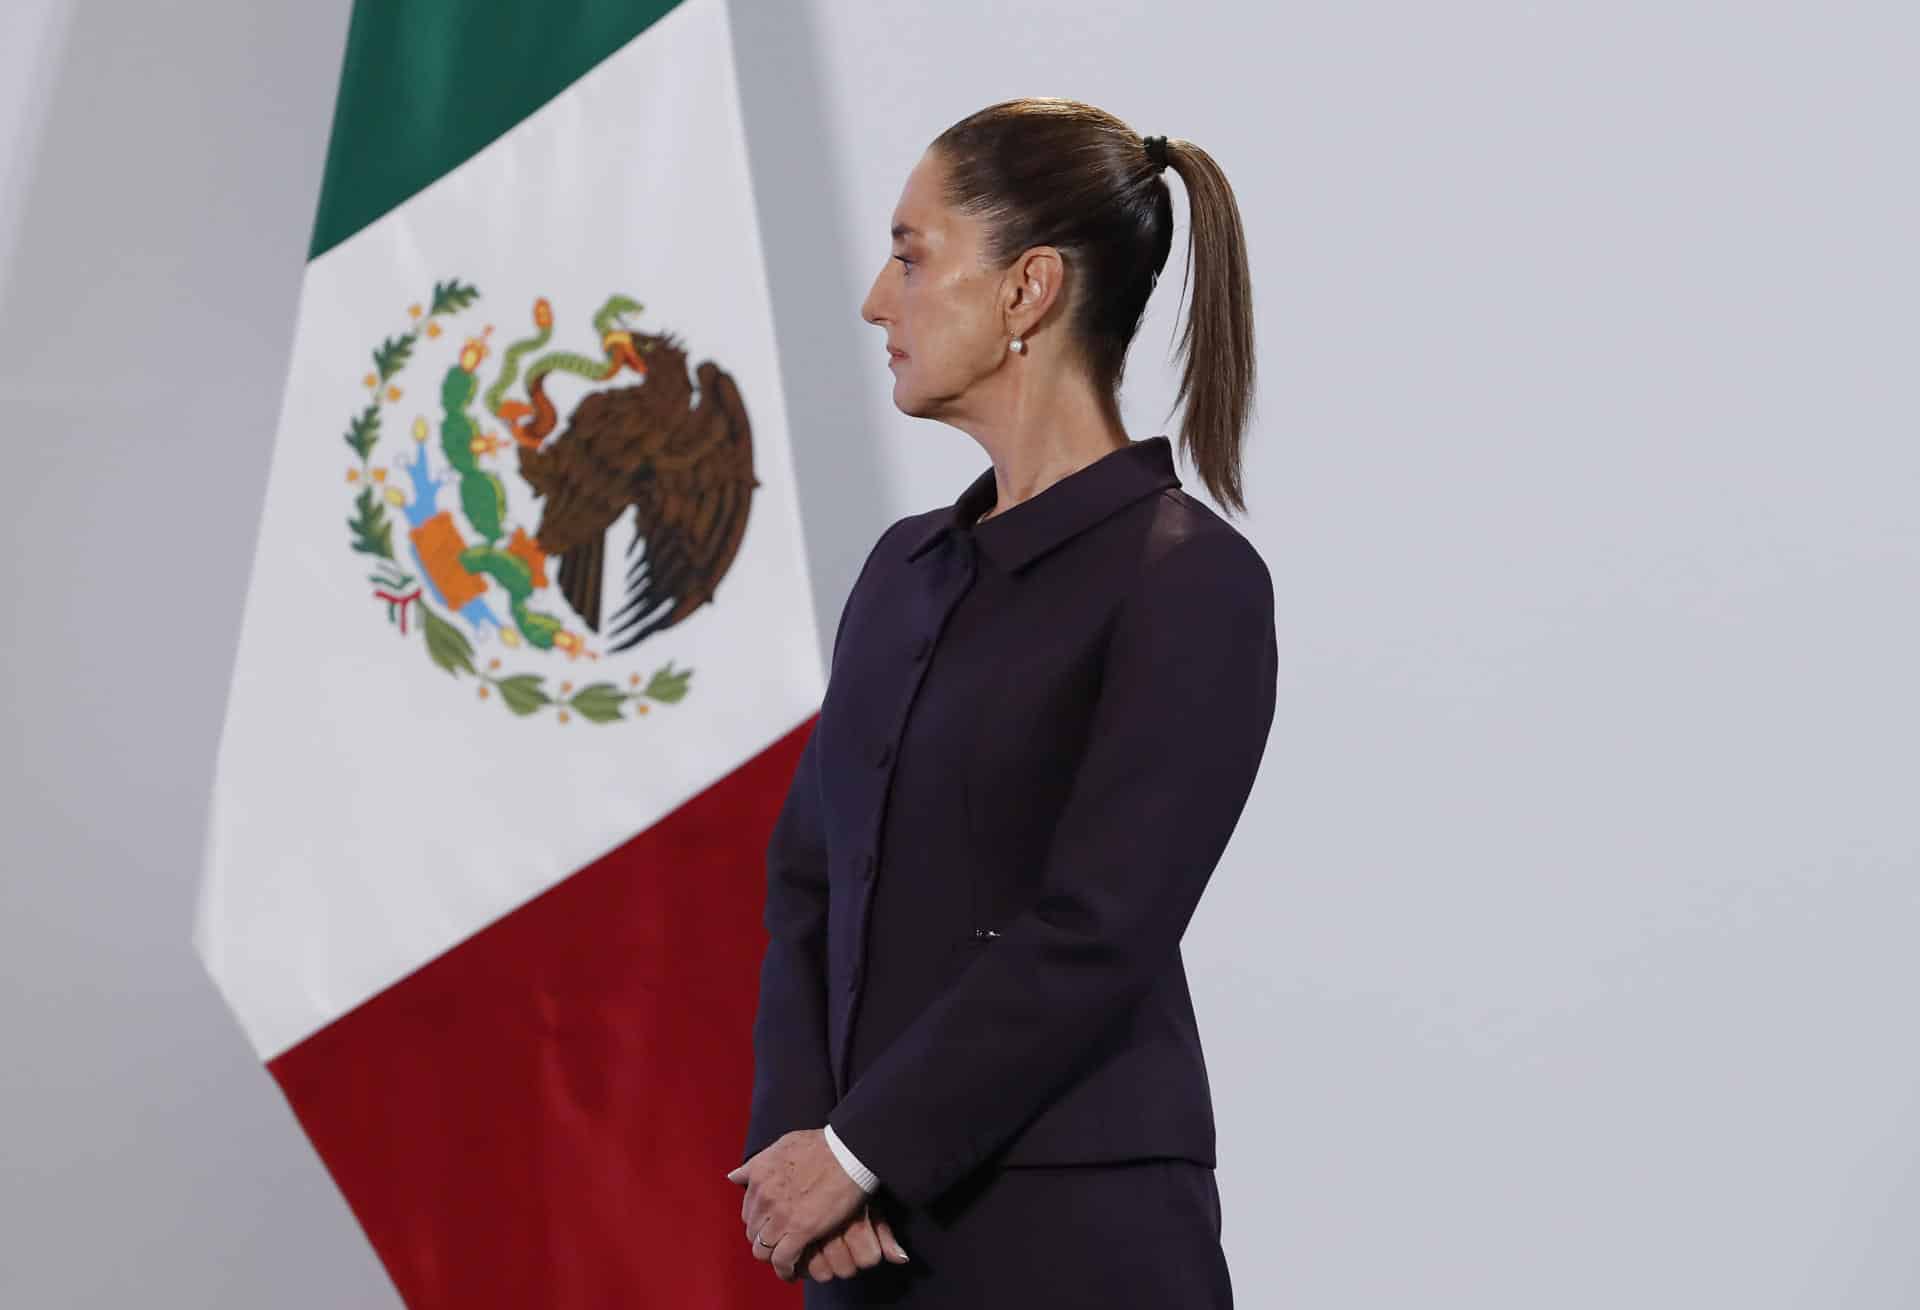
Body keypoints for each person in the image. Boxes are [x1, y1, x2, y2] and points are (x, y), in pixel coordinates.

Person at [726, 96, 1275, 1306]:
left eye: (913, 254)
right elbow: (808, 883)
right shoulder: (904, 571)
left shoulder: (1186, 581)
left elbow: (1101, 924)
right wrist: (803, 1142)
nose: (879, 297)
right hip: (860, 1241)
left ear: (1029, 290)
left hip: (1074, 1235)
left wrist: (862, 1149)